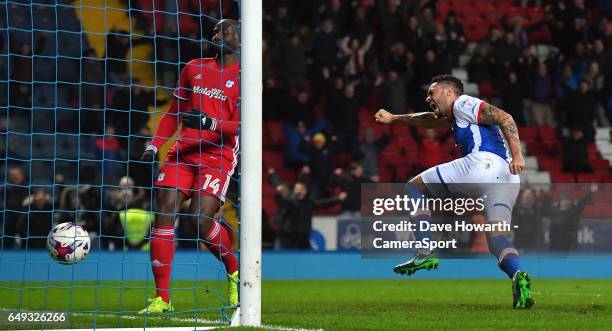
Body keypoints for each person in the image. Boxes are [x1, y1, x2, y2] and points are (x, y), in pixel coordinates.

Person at [375, 74, 533, 309]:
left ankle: (426, 251)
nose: (428, 97)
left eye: (432, 92)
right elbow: (428, 120)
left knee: (414, 187)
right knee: (496, 238)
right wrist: (396, 118)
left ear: (449, 92)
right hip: (507, 178)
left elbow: (505, 117)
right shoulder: (456, 115)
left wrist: (519, 154)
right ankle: (518, 275)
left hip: (483, 165)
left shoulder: (463, 103)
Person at [138, 19, 240, 313]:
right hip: (183, 153)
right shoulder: (194, 67)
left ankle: (234, 269)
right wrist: (155, 144)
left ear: (241, 39)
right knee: (164, 210)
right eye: (215, 32)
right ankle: (162, 299)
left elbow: (244, 125)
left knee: (197, 220)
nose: (218, 35)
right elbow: (175, 112)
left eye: (225, 31)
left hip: (217, 156)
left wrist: (211, 123)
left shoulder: (246, 76)